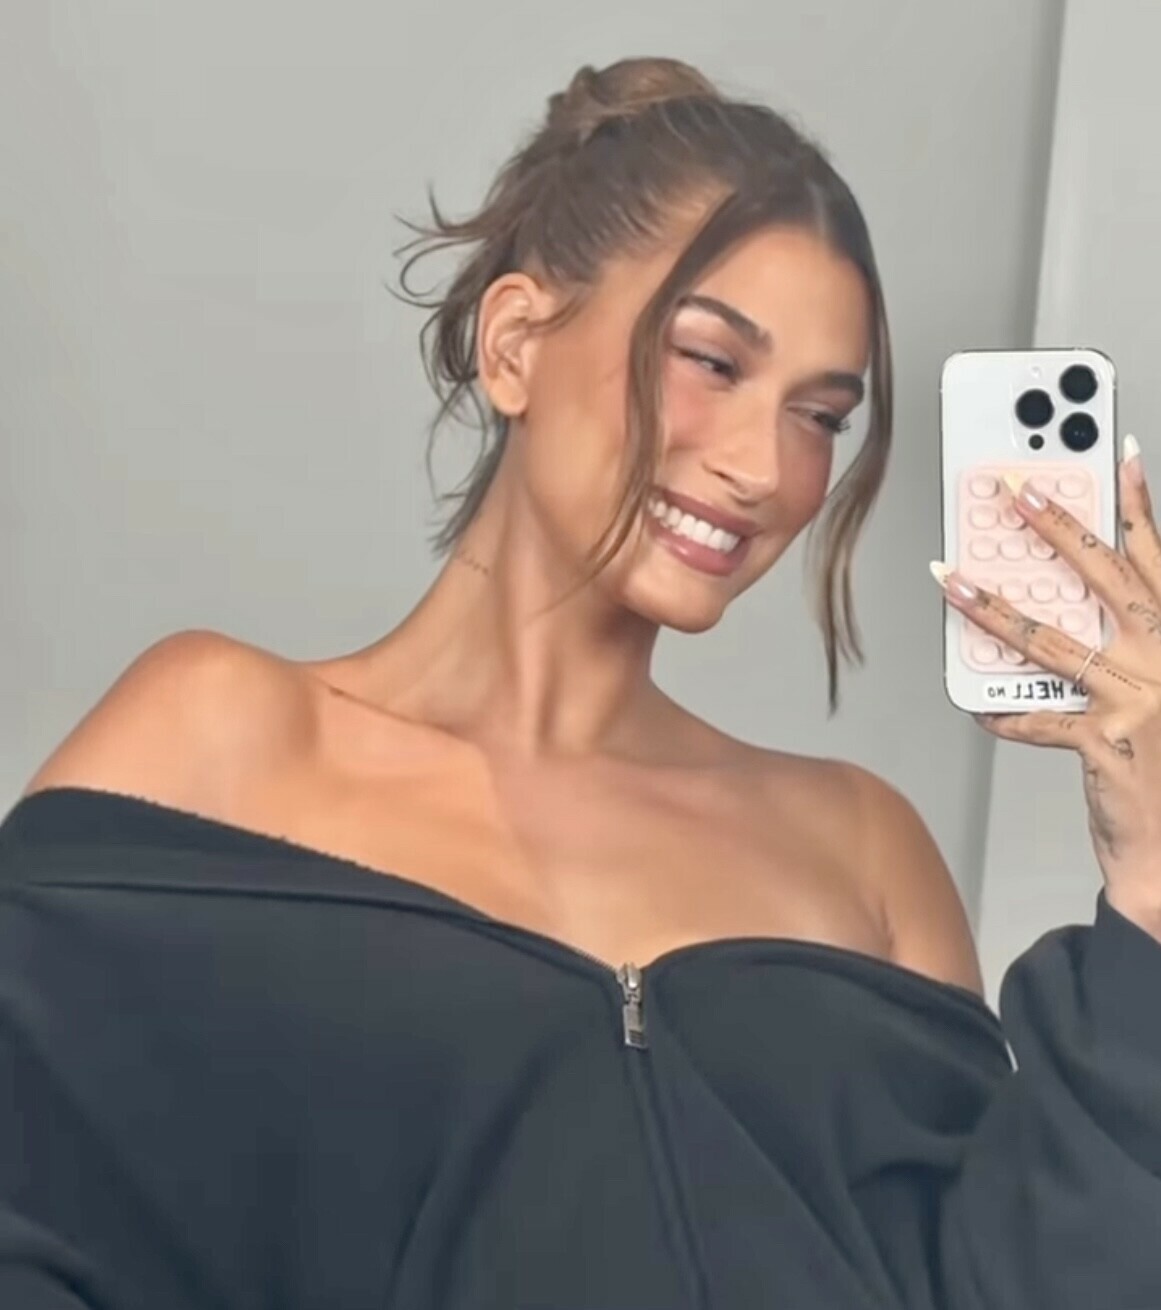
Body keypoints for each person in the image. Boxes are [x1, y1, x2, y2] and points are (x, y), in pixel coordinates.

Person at [2, 54, 1160, 1310]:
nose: (766, 467)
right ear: (514, 344)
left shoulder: (866, 848)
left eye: (820, 415)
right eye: (711, 360)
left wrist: (1150, 885)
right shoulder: (219, 732)